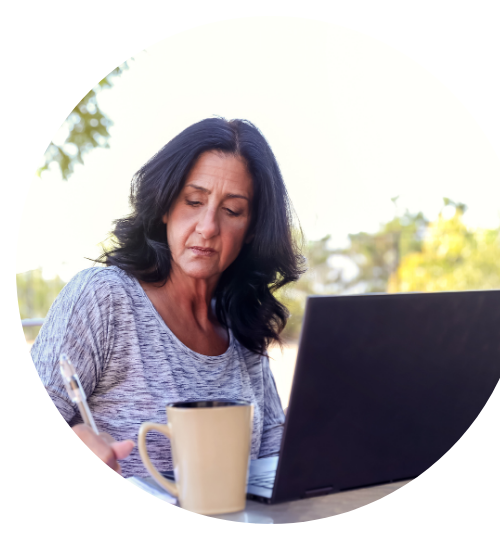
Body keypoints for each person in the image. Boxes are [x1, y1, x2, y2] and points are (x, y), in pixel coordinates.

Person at [32, 117, 304, 477]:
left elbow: (275, 464)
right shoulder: (104, 297)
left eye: (232, 210)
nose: (207, 227)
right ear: (164, 206)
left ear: (252, 229)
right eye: (193, 201)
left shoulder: (242, 326)